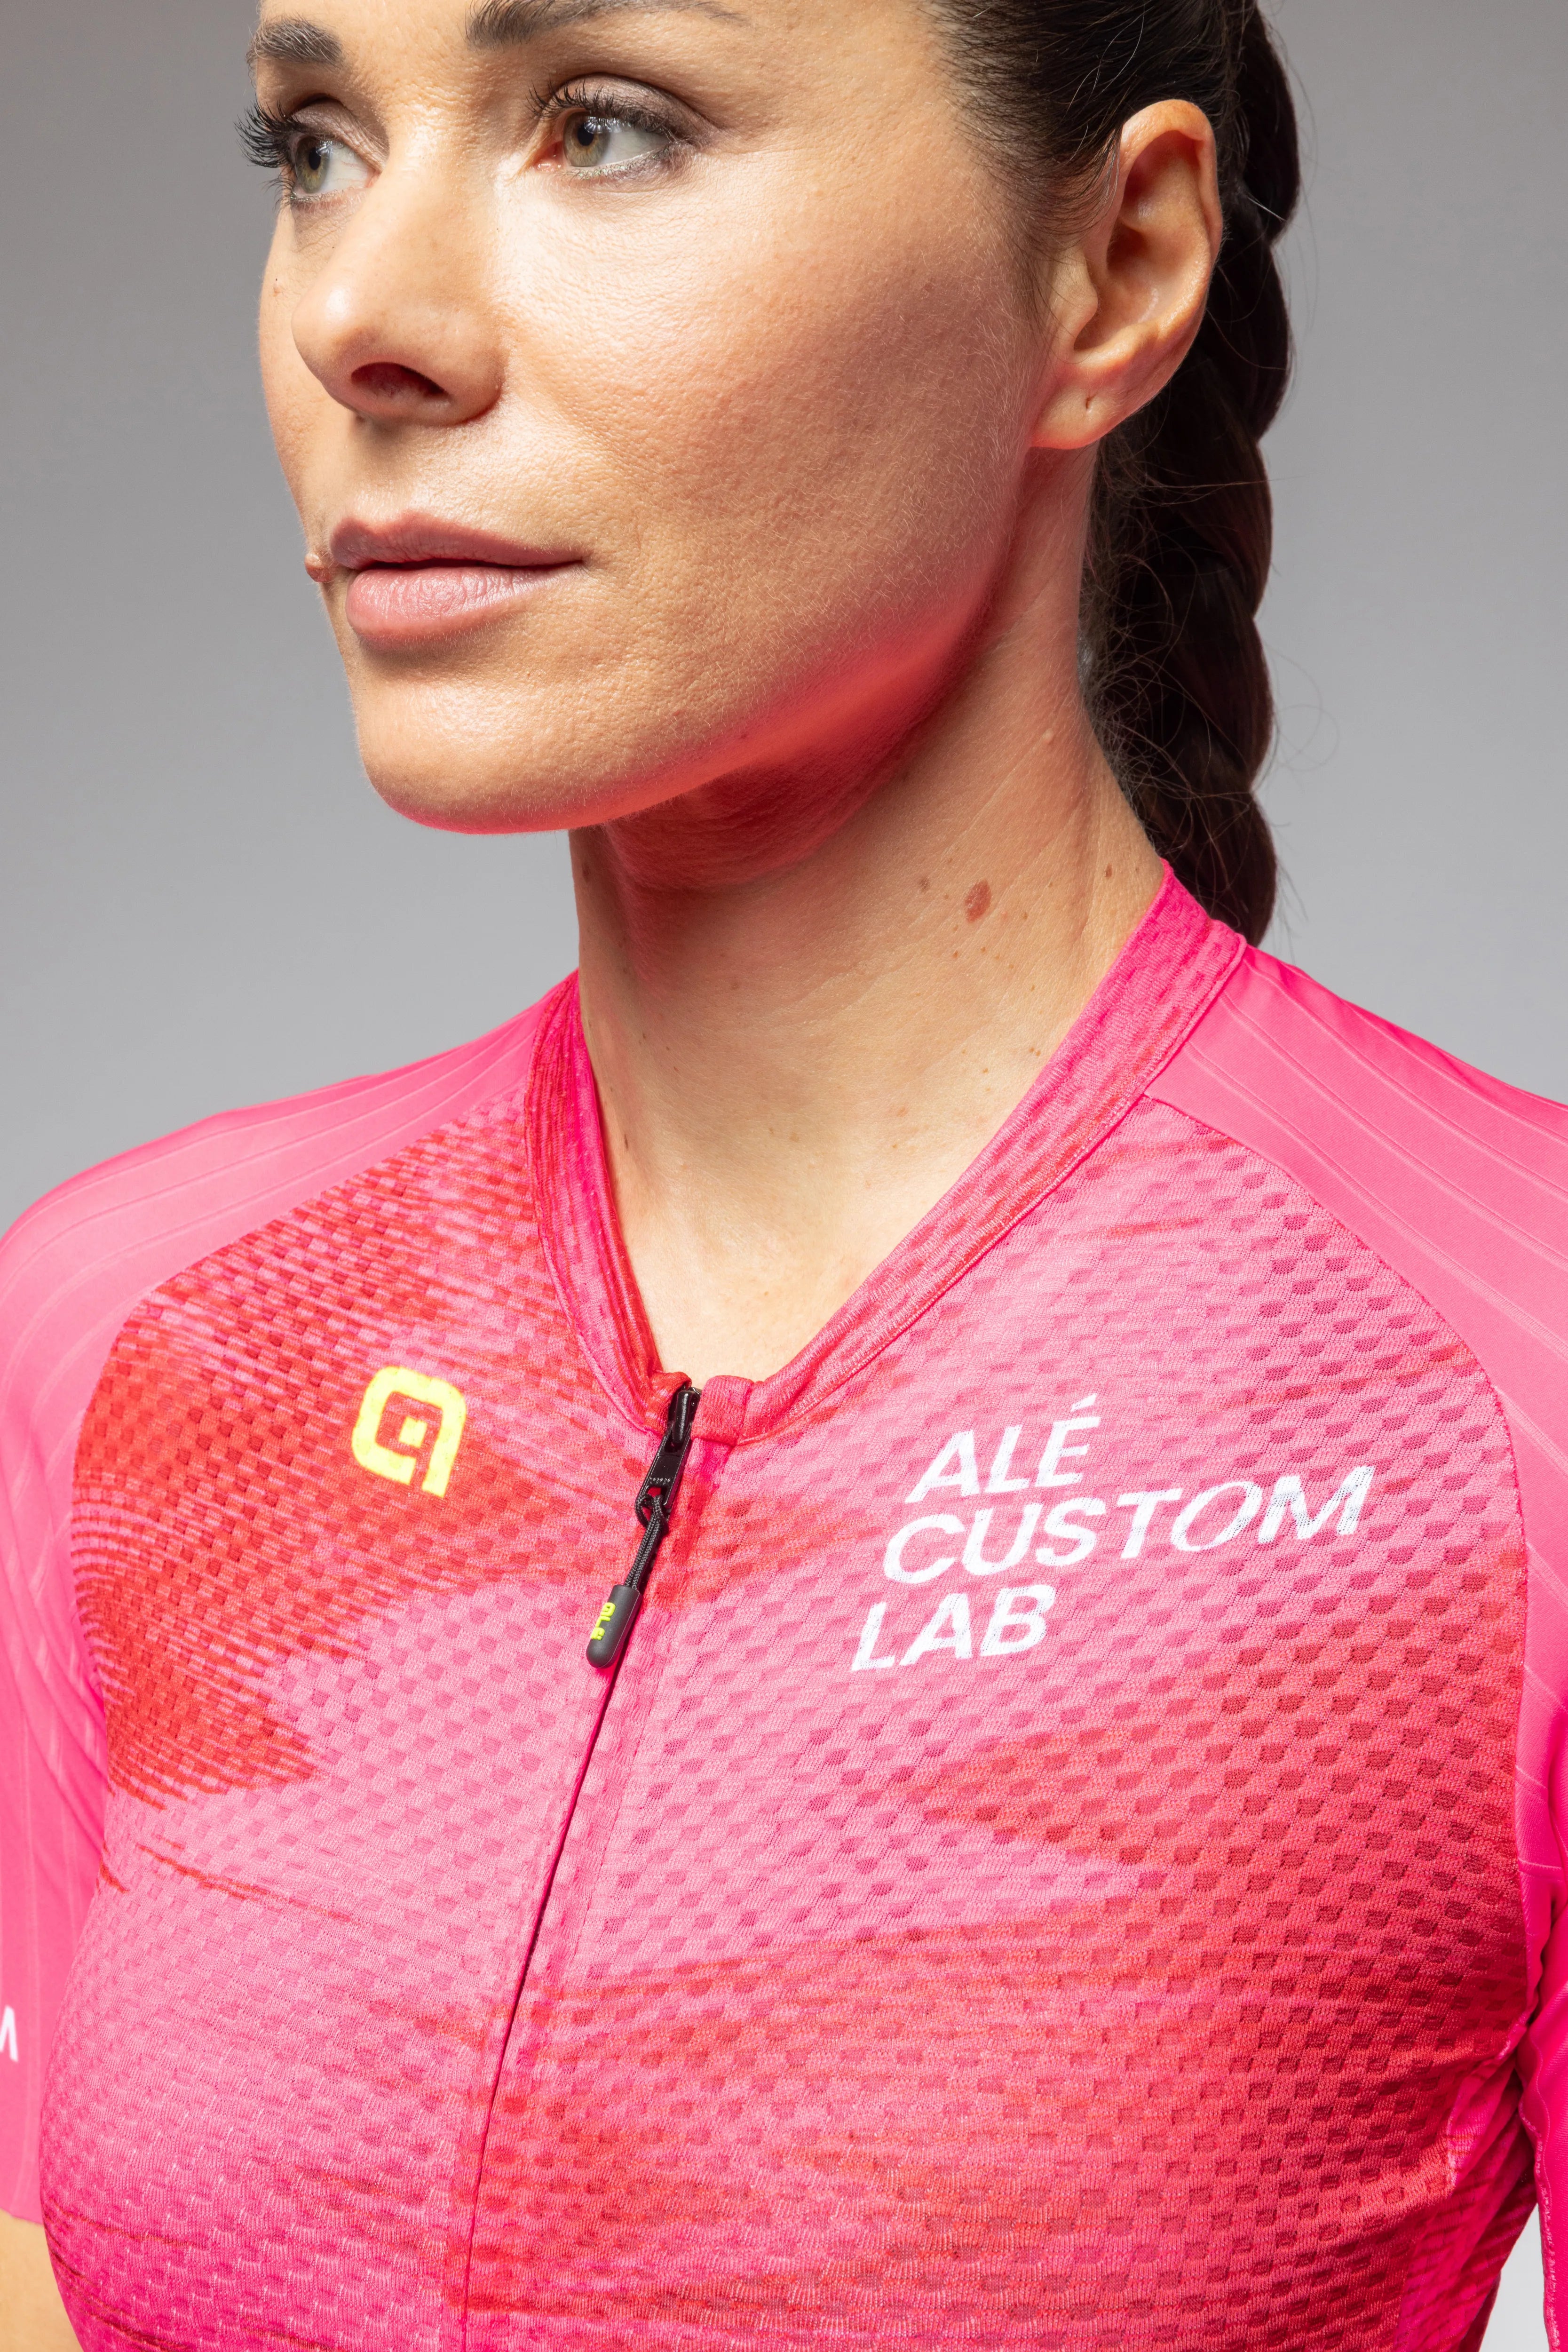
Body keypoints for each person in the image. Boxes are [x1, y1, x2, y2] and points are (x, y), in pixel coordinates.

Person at [3, 0, 1567, 2344]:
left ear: (1116, 269)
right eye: (314, 146)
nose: (361, 318)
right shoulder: (135, 1335)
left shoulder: (1512, 1381)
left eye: (606, 124)